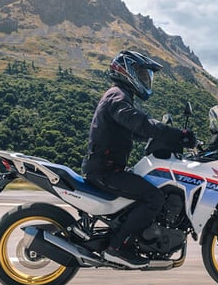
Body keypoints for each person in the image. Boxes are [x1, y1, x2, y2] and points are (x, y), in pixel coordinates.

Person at [82, 50, 196, 268]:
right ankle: (117, 248)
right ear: (127, 72)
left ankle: (132, 239)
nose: (146, 80)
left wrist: (169, 139)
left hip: (107, 168)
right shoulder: (117, 96)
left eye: (146, 76)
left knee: (148, 190)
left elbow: (136, 131)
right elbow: (140, 123)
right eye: (142, 75)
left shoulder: (120, 96)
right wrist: (175, 134)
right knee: (154, 197)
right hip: (105, 171)